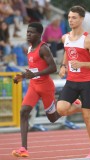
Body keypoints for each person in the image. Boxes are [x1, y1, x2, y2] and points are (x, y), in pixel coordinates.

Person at [11, 22, 80, 158]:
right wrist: (22, 76)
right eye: (27, 32)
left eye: (31, 32)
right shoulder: (30, 48)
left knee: (53, 118)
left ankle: (75, 106)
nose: (28, 34)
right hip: (33, 86)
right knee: (23, 111)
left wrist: (35, 75)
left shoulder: (44, 48)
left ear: (39, 34)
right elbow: (34, 68)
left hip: (45, 87)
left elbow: (53, 68)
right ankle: (23, 148)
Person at [57, 6, 90, 158]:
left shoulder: (88, 40)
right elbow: (67, 52)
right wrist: (64, 66)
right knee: (61, 109)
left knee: (87, 118)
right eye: (69, 17)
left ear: (82, 19)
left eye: (74, 17)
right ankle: (80, 107)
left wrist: (81, 64)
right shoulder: (65, 37)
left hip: (86, 82)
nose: (70, 20)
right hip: (71, 80)